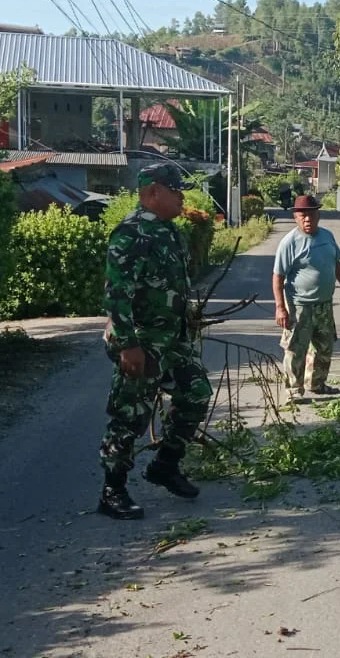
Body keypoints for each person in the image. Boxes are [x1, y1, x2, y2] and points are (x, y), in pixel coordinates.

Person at [97, 163, 211, 521]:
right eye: (175, 190)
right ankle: (113, 490)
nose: (181, 197)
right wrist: (127, 344)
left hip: (172, 341)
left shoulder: (169, 231)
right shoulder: (130, 233)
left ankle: (165, 465)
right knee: (130, 414)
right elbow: (116, 294)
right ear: (153, 192)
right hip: (141, 341)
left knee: (196, 393)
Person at [274, 194, 340, 397]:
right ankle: (294, 390)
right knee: (295, 349)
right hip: (299, 306)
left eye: (311, 214)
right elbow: (278, 276)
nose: (307, 219)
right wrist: (280, 308)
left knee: (324, 346)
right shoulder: (289, 243)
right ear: (296, 217)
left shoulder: (327, 237)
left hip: (324, 304)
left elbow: (336, 263)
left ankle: (316, 384)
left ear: (318, 215)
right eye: (303, 216)